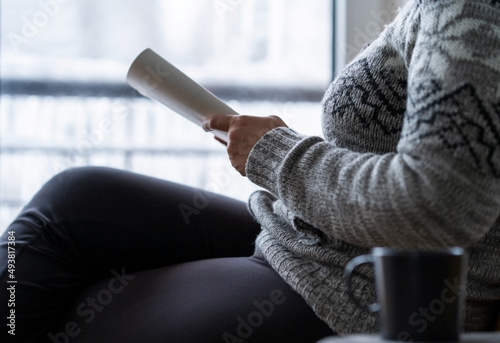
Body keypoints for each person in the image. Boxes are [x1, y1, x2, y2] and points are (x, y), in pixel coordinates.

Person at [2, 0, 500, 341]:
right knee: (72, 200)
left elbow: (439, 201)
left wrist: (276, 153)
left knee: (71, 317)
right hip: (315, 236)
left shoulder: (472, 10)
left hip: (351, 283)